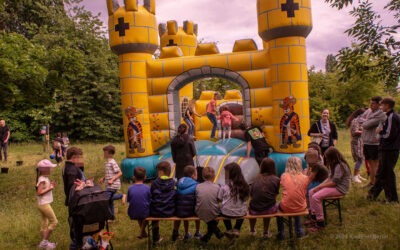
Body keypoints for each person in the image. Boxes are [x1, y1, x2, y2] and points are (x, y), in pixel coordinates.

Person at [308, 147, 351, 232]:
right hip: (334, 186)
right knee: (311, 191)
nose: (327, 160)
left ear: (333, 157)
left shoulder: (340, 166)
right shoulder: (334, 164)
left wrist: (320, 187)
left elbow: (334, 183)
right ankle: (313, 217)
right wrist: (319, 186)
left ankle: (320, 223)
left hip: (340, 188)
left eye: (328, 158)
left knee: (316, 197)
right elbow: (329, 178)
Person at [368, 98, 400, 204]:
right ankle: (373, 195)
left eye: (382, 105)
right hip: (385, 148)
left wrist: (379, 133)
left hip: (389, 149)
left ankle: (392, 199)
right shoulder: (388, 116)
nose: (381, 107)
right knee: (381, 173)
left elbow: (389, 134)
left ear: (388, 105)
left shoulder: (392, 116)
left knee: (388, 174)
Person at [276, 157, 308, 240]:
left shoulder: (284, 176)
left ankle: (281, 233)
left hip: (286, 206)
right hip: (301, 206)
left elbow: (283, 186)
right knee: (296, 203)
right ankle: (299, 231)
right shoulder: (304, 177)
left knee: (277, 206)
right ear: (299, 165)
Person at [248, 158, 280, 239]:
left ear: (261, 167)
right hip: (269, 210)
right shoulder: (276, 179)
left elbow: (251, 195)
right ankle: (265, 231)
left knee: (252, 205)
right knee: (270, 204)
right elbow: (275, 195)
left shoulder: (255, 178)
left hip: (254, 209)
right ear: (273, 167)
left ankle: (252, 230)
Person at [359, 96, 386, 187]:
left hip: (374, 142)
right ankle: (372, 182)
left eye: (373, 103)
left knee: (375, 164)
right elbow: (360, 119)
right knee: (370, 163)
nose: (371, 105)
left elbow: (366, 125)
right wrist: (365, 121)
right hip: (366, 141)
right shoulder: (370, 111)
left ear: (379, 104)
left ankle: (376, 183)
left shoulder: (381, 114)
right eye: (370, 103)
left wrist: (365, 121)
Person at [218, 162, 249, 238]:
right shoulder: (245, 185)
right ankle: (237, 228)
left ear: (231, 174)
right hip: (241, 213)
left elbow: (219, 199)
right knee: (244, 208)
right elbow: (246, 198)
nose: (224, 175)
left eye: (226, 173)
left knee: (222, 208)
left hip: (226, 213)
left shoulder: (224, 187)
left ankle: (229, 229)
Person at [62, 146, 85, 250]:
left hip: (74, 201)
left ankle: (78, 243)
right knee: (77, 226)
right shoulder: (71, 170)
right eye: (79, 157)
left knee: (77, 225)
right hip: (75, 202)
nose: (80, 160)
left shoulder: (68, 166)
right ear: (74, 157)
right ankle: (76, 245)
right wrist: (82, 186)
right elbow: (73, 188)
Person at [150, 161, 176, 245]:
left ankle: (155, 238)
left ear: (161, 172)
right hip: (171, 211)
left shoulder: (154, 183)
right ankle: (175, 235)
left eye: (158, 171)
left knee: (153, 210)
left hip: (157, 211)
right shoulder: (173, 182)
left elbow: (151, 195)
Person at [173, 165, 202, 241]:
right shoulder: (197, 184)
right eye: (196, 174)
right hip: (192, 211)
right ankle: (197, 232)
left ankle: (186, 233)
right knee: (196, 207)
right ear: (193, 175)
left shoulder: (178, 181)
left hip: (179, 211)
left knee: (185, 207)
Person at [195, 167, 224, 243]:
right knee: (216, 211)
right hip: (213, 212)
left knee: (208, 210)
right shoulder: (217, 187)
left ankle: (207, 236)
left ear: (203, 176)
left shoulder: (198, 186)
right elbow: (219, 199)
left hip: (199, 212)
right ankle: (214, 231)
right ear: (214, 176)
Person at [36, 159, 58, 250]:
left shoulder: (44, 178)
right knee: (54, 222)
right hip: (44, 204)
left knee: (45, 222)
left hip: (42, 204)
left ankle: (45, 244)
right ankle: (44, 242)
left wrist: (50, 185)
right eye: (49, 168)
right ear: (43, 169)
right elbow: (39, 192)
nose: (50, 170)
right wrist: (50, 188)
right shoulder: (42, 179)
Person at [98, 145, 125, 218]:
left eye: (105, 153)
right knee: (110, 201)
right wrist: (103, 178)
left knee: (106, 198)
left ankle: (122, 196)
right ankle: (112, 216)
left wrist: (112, 180)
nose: (104, 154)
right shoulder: (107, 162)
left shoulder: (112, 162)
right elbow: (109, 173)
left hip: (113, 184)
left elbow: (120, 173)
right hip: (109, 184)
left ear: (110, 154)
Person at [127, 167, 150, 239]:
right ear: (145, 177)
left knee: (138, 207)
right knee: (145, 210)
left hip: (132, 212)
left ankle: (143, 232)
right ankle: (142, 231)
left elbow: (129, 200)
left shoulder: (130, 188)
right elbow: (150, 200)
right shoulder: (148, 188)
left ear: (134, 177)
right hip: (145, 213)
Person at [345, 108, 367, 183]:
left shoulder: (359, 121)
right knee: (359, 158)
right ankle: (354, 176)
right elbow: (354, 132)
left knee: (361, 158)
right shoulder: (355, 121)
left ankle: (357, 175)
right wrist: (365, 131)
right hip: (356, 142)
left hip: (360, 142)